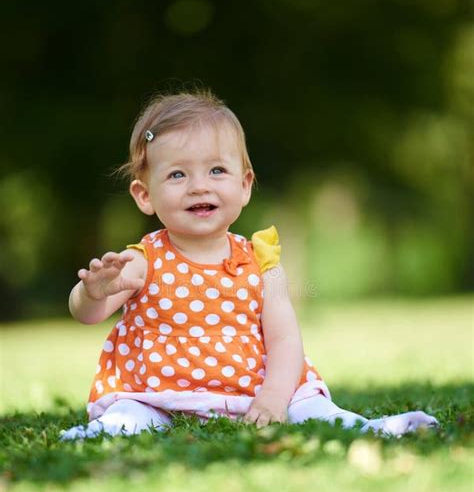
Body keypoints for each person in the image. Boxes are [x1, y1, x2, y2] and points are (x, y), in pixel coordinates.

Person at [61, 90, 439, 440]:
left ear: (244, 186)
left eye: (216, 171)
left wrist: (274, 396)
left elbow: (285, 338)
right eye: (177, 174)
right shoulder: (144, 260)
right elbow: (88, 314)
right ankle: (101, 432)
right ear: (145, 195)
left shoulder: (262, 262)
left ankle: (372, 428)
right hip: (159, 393)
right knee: (132, 416)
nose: (199, 186)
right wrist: (92, 293)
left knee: (309, 407)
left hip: (253, 387)